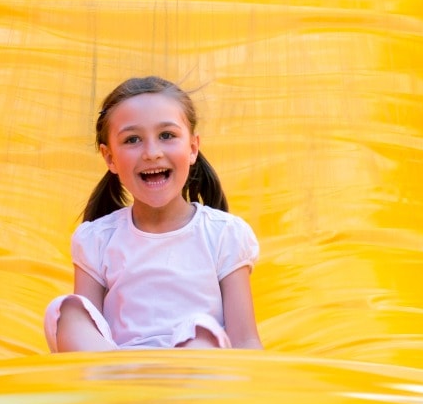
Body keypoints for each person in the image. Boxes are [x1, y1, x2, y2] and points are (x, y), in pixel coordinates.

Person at [45, 76, 264, 352]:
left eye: (167, 136)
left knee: (201, 333)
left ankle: (175, 384)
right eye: (132, 139)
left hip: (195, 374)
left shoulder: (224, 234)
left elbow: (245, 339)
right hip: (121, 371)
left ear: (193, 148)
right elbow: (91, 325)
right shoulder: (97, 239)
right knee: (67, 310)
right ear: (110, 157)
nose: (152, 153)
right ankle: (118, 383)